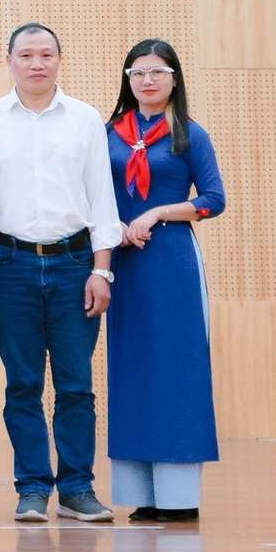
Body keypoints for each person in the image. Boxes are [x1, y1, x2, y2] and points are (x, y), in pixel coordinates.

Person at [0, 23, 126, 523]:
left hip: (75, 264)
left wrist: (102, 271)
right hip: (9, 264)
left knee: (76, 384)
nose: (36, 64)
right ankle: (32, 488)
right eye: (26, 55)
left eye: (46, 55)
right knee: (23, 384)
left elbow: (102, 199)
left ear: (59, 59)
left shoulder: (84, 118)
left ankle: (78, 488)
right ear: (9, 60)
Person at [105, 39, 225, 522]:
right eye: (137, 73)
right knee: (131, 369)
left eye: (157, 72)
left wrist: (157, 212)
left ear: (174, 78)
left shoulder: (190, 134)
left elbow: (213, 199)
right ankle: (142, 494)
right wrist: (113, 226)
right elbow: (91, 191)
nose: (147, 81)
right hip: (122, 261)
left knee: (177, 368)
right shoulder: (109, 133)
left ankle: (178, 497)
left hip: (171, 260)